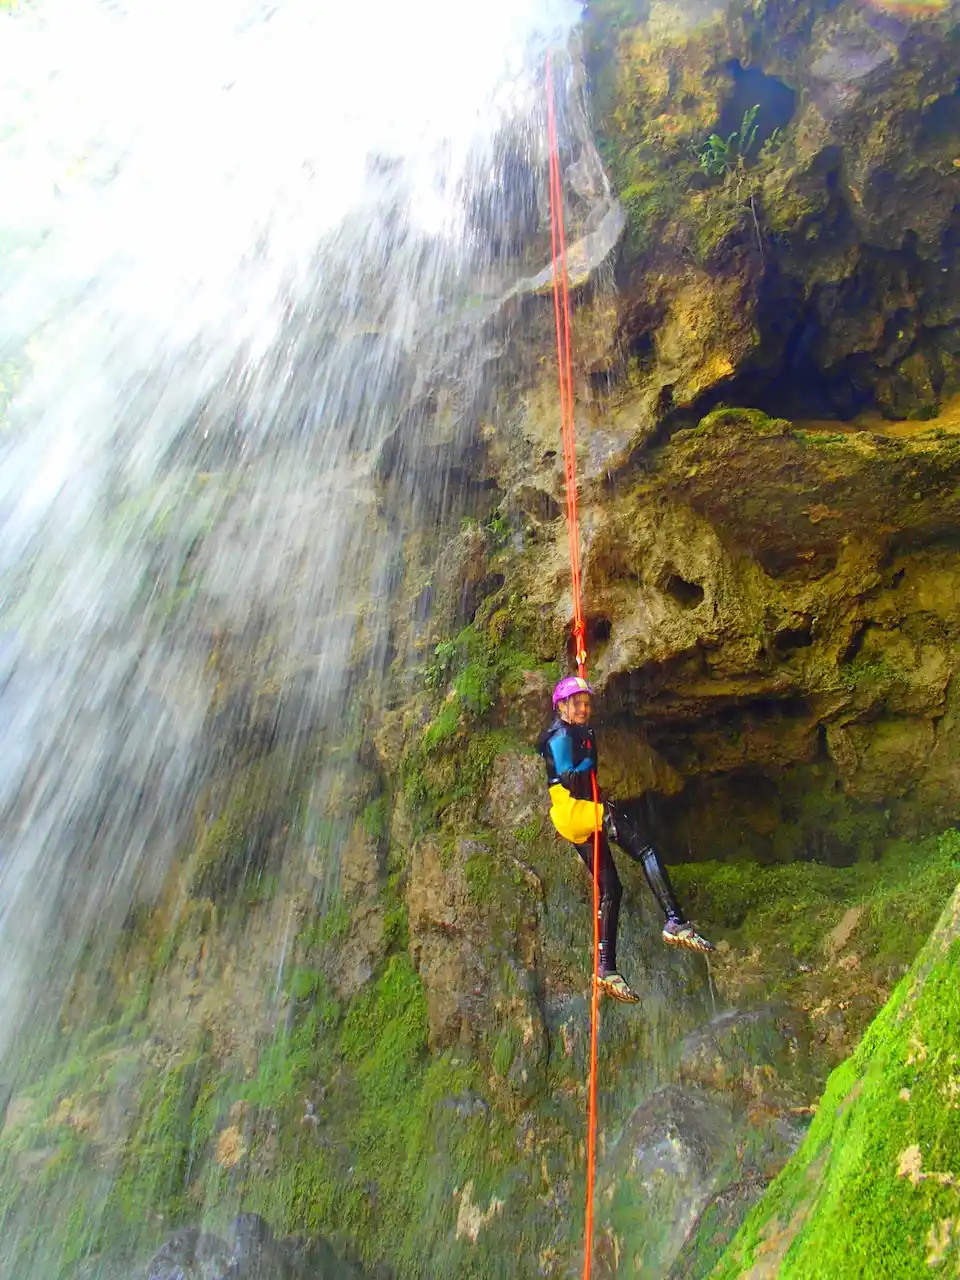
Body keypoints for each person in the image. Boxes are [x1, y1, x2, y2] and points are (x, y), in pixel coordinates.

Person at [537, 674, 714, 1004]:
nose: (585, 709)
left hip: (571, 820)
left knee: (611, 889)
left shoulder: (571, 730)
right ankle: (675, 920)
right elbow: (571, 778)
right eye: (578, 704)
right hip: (581, 810)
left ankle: (607, 968)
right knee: (646, 849)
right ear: (562, 706)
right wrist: (588, 758)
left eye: (588, 704)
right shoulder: (560, 735)